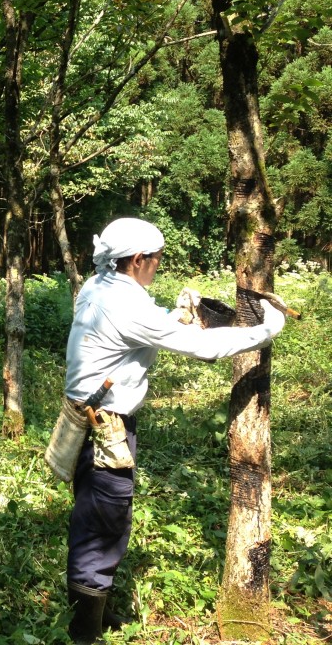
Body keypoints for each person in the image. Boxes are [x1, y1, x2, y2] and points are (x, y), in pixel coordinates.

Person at [63, 217, 286, 643]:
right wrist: (264, 331)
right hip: (104, 426)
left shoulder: (99, 286)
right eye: (157, 260)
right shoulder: (126, 304)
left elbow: (137, 332)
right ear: (138, 259)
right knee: (103, 519)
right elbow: (205, 348)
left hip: (89, 418)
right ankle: (82, 631)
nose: (159, 267)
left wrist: (175, 314)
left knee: (104, 516)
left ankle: (92, 611)